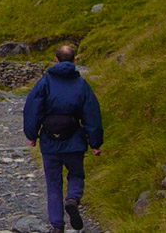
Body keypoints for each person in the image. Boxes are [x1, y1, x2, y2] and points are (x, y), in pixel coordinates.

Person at [23, 44, 103, 233]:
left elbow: (32, 110)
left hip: (50, 142)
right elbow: (92, 115)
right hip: (74, 139)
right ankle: (73, 198)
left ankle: (57, 226)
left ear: (55, 59)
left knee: (53, 184)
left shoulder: (44, 82)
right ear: (74, 60)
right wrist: (95, 143)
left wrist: (32, 136)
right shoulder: (81, 85)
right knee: (76, 174)